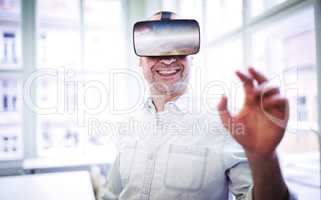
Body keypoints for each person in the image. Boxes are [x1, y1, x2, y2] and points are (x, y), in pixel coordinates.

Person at [100, 11, 297, 200]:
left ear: (192, 58)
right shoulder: (129, 126)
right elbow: (111, 195)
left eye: (180, 48)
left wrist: (265, 159)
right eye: (155, 49)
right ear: (139, 60)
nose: (168, 59)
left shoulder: (225, 126)